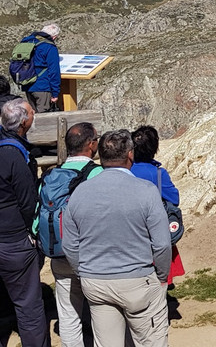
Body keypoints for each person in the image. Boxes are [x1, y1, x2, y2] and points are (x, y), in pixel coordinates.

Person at [61, 129, 170, 347]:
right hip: (138, 280)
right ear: (130, 154)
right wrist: (161, 275)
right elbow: (162, 244)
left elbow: (70, 245)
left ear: (100, 155)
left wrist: (83, 272)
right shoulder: (146, 191)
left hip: (96, 281)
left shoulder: (80, 192)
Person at [45, 123, 103, 347]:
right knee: (100, 313)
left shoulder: (51, 176)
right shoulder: (97, 174)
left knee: (68, 315)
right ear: (90, 145)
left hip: (59, 254)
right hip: (90, 255)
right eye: (96, 139)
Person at [0, 98, 49, 347]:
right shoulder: (15, 157)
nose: (34, 115)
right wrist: (33, 235)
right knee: (28, 306)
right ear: (23, 123)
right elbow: (28, 202)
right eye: (31, 113)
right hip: (14, 242)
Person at [131, 125, 185, 286]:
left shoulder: (125, 170)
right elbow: (174, 198)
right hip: (153, 231)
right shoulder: (158, 173)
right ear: (155, 147)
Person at [19, 23, 61, 113]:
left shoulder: (28, 42)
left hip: (27, 84)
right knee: (43, 118)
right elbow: (54, 71)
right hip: (42, 86)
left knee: (32, 116)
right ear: (54, 37)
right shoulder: (50, 47)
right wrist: (55, 93)